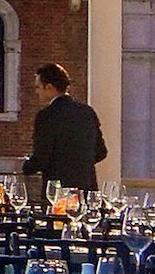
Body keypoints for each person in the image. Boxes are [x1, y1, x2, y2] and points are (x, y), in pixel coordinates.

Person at [22, 62, 107, 199]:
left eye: (38, 87)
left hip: (57, 193)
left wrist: (25, 166)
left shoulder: (46, 115)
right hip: (86, 190)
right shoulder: (87, 112)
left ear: (49, 87)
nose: (36, 92)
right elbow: (101, 152)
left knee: (56, 220)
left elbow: (42, 157)